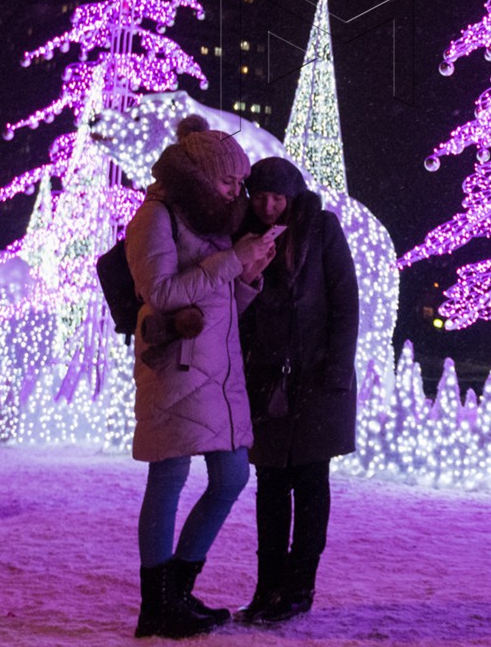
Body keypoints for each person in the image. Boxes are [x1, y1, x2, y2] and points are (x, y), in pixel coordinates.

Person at [126, 115, 279, 639]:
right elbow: (162, 294)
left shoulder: (211, 222)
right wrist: (232, 261)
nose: (237, 192)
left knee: (232, 477)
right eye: (228, 182)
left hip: (217, 372)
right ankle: (158, 606)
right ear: (198, 176)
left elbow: (217, 301)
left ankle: (178, 593)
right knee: (168, 478)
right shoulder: (155, 217)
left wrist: (248, 274)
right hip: (176, 369)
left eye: (240, 183)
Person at [236, 156, 359, 625]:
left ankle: (299, 587)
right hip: (266, 382)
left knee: (310, 486)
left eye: (277, 197)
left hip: (317, 380)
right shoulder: (244, 236)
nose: (268, 206)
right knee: (269, 487)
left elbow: (345, 301)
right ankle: (267, 588)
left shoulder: (321, 228)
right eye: (261, 196)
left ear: (293, 196)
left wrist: (336, 371)